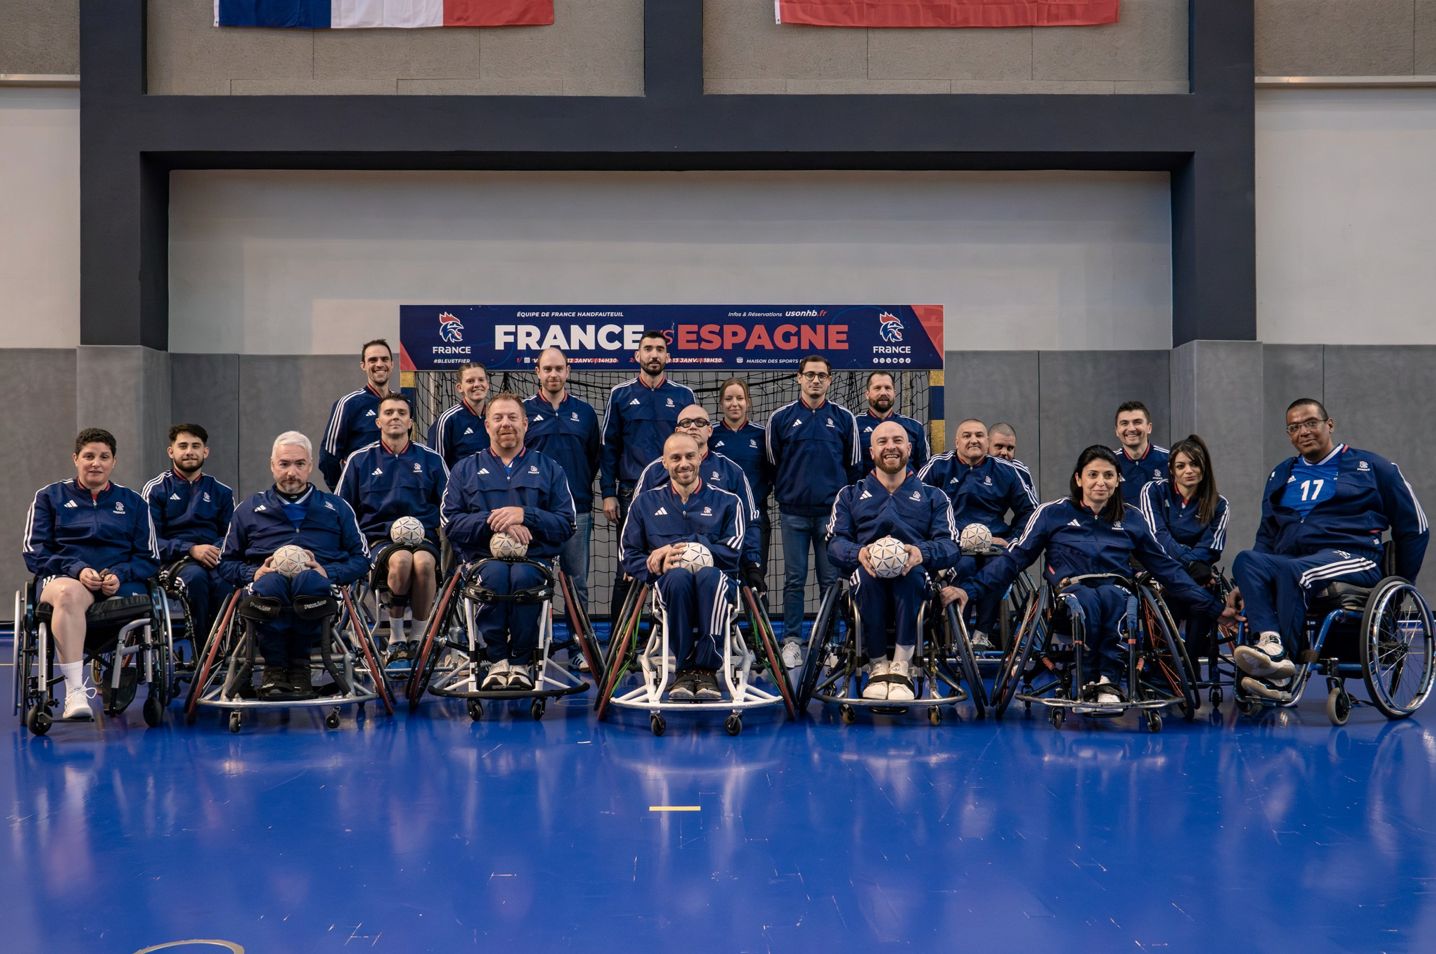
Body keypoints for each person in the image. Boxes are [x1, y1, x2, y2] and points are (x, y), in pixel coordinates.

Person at [946, 445, 1229, 709]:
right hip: (1070, 593)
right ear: (1079, 479)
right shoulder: (1052, 514)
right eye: (1093, 475)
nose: (1100, 482)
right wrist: (969, 590)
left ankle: (1107, 680)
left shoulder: (1132, 519)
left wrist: (1213, 606)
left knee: (1112, 596)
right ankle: (1091, 678)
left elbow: (1167, 569)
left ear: (1118, 480)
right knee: (1089, 599)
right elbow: (1014, 559)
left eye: (1108, 475)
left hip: (1116, 589)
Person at [1226, 399, 1429, 700]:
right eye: (1294, 427)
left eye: (1311, 423)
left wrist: (1400, 584)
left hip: (1352, 556)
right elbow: (1266, 535)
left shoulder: (1373, 467)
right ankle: (1270, 641)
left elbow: (1415, 527)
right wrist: (1250, 582)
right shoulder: (1281, 475)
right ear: (1289, 434)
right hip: (1294, 562)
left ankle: (1284, 668)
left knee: (1296, 572)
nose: (1303, 432)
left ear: (1329, 424)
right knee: (1246, 561)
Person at [219, 431, 370, 699]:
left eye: (299, 464)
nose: (292, 472)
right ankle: (274, 671)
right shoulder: (248, 509)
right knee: (270, 583)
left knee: (308, 580)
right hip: (265, 589)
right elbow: (226, 563)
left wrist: (329, 572)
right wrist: (254, 572)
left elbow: (362, 559)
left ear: (310, 466)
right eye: (284, 464)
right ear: (272, 465)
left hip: (319, 588)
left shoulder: (336, 507)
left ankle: (300, 670)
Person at [23, 428, 160, 720]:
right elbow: (35, 553)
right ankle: (75, 692)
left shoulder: (134, 502)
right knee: (69, 593)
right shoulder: (49, 497)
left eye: (103, 457)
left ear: (114, 462)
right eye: (88, 456)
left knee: (139, 596)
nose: (95, 463)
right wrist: (77, 570)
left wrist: (119, 575)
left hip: (119, 586)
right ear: (76, 459)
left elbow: (149, 558)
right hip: (64, 580)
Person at [441, 393, 576, 690]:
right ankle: (496, 659)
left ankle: (520, 661)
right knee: (497, 575)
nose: (506, 424)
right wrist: (496, 519)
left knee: (523, 575)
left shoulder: (549, 467)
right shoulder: (465, 469)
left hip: (534, 561)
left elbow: (566, 523)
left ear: (526, 424)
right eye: (498, 418)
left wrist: (526, 515)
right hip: (482, 562)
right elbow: (451, 523)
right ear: (486, 425)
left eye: (513, 418)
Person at [827, 421, 959, 701]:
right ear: (871, 450)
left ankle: (901, 665)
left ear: (909, 448)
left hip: (915, 582)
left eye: (898, 441)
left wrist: (921, 553)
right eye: (883, 442)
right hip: (865, 580)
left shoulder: (933, 496)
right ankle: (878, 665)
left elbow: (950, 546)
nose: (891, 447)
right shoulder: (849, 495)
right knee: (866, 576)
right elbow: (835, 543)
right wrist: (858, 554)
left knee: (911, 576)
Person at [619, 433, 746, 702]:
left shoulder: (728, 502)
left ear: (700, 457)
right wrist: (651, 563)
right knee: (676, 577)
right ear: (664, 463)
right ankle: (685, 668)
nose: (684, 463)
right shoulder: (644, 503)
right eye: (675, 458)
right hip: (669, 587)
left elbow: (733, 553)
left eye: (690, 456)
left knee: (710, 575)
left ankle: (707, 669)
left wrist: (677, 547)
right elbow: (627, 555)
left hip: (717, 583)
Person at [336, 393, 448, 667]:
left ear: (410, 422)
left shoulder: (431, 459)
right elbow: (342, 510)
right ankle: (397, 637)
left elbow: (449, 504)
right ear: (378, 422)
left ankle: (419, 637)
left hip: (423, 539)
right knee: (401, 560)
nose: (395, 417)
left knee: (422, 562)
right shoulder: (360, 460)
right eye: (389, 413)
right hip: (378, 540)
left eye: (401, 412)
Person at [767, 355, 861, 667]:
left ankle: (830, 643)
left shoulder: (844, 418)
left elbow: (854, 467)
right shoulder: (781, 418)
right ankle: (792, 641)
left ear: (830, 380)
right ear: (799, 378)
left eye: (821, 375)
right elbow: (773, 462)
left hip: (830, 516)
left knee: (830, 580)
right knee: (794, 578)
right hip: (793, 514)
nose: (815, 380)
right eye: (810, 375)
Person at [599, 330, 695, 621]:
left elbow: (694, 444)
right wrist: (608, 493)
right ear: (637, 356)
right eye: (648, 349)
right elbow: (608, 447)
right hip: (631, 496)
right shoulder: (621, 395)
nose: (654, 354)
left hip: (676, 494)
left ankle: (669, 632)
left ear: (668, 356)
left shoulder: (683, 396)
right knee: (628, 568)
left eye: (660, 349)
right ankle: (621, 642)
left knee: (677, 564)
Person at [918, 418, 1038, 648]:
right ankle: (958, 634)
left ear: (987, 441)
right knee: (964, 566)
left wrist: (1010, 539)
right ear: (956, 441)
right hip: (953, 545)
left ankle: (982, 634)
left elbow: (1031, 513)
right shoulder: (937, 466)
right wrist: (940, 539)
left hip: (993, 546)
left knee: (997, 568)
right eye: (967, 435)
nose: (973, 440)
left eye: (979, 435)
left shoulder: (1007, 471)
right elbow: (915, 506)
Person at [633, 404, 763, 589]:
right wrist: (639, 564)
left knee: (753, 588)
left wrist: (752, 564)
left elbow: (748, 522)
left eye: (700, 422)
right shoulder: (654, 472)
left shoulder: (731, 471)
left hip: (718, 565)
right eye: (686, 423)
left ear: (710, 430)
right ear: (677, 430)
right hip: (665, 569)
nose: (692, 426)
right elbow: (637, 520)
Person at [142, 423, 236, 653]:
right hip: (173, 562)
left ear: (206, 451)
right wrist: (191, 549)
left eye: (196, 446)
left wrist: (213, 550)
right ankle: (205, 653)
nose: (189, 451)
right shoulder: (155, 489)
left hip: (214, 559)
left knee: (226, 581)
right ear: (171, 451)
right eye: (182, 446)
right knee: (197, 579)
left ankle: (229, 650)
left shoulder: (222, 492)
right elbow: (149, 542)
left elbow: (232, 536)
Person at [523, 347, 601, 615]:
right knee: (531, 580)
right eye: (547, 369)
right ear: (537, 373)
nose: (553, 374)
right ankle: (532, 649)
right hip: (534, 511)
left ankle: (578, 648)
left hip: (576, 510)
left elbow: (592, 459)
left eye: (558, 368)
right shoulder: (523, 412)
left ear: (568, 371)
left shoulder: (586, 413)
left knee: (576, 582)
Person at [1137, 434, 1229, 586]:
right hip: (1161, 566)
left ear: (1204, 466)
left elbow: (1210, 547)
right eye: (1181, 466)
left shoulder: (1220, 505)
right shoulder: (1152, 490)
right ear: (1171, 470)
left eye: (1194, 464)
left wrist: (1191, 566)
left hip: (1197, 573)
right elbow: (1157, 535)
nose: (1189, 471)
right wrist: (1189, 564)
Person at [711, 378, 773, 573]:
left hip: (754, 517)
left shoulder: (763, 435)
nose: (734, 403)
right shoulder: (710, 435)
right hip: (718, 518)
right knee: (721, 573)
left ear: (748, 402)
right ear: (721, 403)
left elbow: (773, 473)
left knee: (755, 575)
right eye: (729, 398)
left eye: (740, 398)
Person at [319, 338, 394, 489]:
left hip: (396, 490)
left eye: (384, 359)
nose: (379, 364)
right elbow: (328, 457)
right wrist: (344, 494)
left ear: (392, 364)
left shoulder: (402, 406)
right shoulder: (348, 404)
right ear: (363, 366)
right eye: (373, 360)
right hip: (362, 495)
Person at [856, 371, 929, 475]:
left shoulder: (915, 427)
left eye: (887, 388)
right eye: (877, 388)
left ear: (894, 393)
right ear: (867, 394)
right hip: (867, 489)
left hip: (907, 489)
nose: (883, 393)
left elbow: (924, 468)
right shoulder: (853, 425)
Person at [428, 361, 491, 470]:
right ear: (459, 387)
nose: (477, 384)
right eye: (470, 381)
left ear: (487, 384)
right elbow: (435, 466)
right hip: (461, 486)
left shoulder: (496, 417)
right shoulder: (447, 420)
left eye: (481, 379)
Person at [1113, 400, 1169, 496]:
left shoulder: (1169, 459)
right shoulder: (1110, 462)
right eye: (1124, 423)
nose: (1131, 429)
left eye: (1137, 422)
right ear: (1117, 430)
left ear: (1149, 428)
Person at [988, 421, 1036, 495]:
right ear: (987, 445)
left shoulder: (1020, 472)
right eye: (999, 446)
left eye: (1010, 448)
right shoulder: (974, 465)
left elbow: (1030, 506)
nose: (1004, 452)